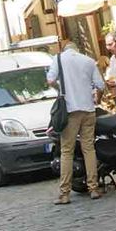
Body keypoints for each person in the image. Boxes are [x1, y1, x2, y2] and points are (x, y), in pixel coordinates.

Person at [46, 37, 105, 204]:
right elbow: (101, 85)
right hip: (88, 109)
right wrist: (97, 100)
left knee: (67, 151)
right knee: (89, 148)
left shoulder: (58, 59)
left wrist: (60, 89)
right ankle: (93, 188)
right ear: (77, 49)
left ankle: (65, 193)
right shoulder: (88, 61)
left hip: (70, 110)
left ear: (65, 49)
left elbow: (50, 80)